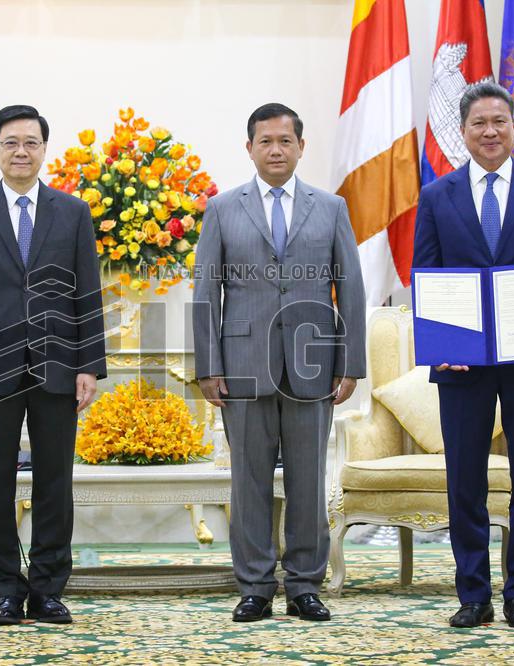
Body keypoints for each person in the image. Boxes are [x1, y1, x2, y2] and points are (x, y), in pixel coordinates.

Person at [413, 81, 514, 629]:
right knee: (465, 478)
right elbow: (428, 276)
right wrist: (441, 347)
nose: (490, 132)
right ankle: (474, 595)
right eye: (479, 123)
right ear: (462, 132)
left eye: (499, 122)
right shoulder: (438, 196)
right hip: (462, 362)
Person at [192, 103, 366, 622]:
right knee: (248, 483)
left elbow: (351, 288)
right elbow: (206, 291)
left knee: (309, 479)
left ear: (300, 147)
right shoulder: (223, 209)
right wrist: (209, 365)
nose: (275, 149)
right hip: (243, 366)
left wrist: (349, 361)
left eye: (285, 141)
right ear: (249, 148)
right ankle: (255, 586)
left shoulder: (330, 207)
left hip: (313, 366)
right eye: (265, 141)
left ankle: (305, 585)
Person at [0, 105, 106, 626]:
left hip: (59, 364)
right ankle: (6, 592)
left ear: (43, 149)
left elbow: (88, 293)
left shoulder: (73, 212)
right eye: (10, 142)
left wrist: (90, 364)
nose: (21, 151)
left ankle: (49, 589)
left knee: (55, 480)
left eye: (31, 142)